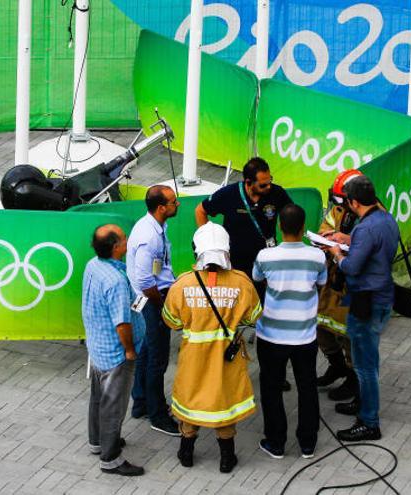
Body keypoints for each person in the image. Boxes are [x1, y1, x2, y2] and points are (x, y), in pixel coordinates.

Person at [161, 223, 262, 473]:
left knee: (190, 401)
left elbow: (171, 321)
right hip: (226, 358)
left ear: (197, 251)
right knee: (223, 404)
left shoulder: (182, 284)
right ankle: (227, 459)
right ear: (227, 251)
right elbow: (253, 318)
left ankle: (186, 453)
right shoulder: (242, 282)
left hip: (193, 358)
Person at [195, 156, 294, 391]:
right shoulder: (229, 194)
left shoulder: (277, 194)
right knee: (229, 319)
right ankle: (224, 371)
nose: (268, 187)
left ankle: (273, 374)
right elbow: (201, 210)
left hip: (265, 269)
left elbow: (291, 215)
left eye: (269, 182)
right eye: (263, 184)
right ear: (248, 182)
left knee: (267, 320)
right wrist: (207, 241)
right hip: (234, 271)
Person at [327, 175, 399, 441]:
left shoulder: (365, 229)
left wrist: (338, 253)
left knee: (365, 364)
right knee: (369, 358)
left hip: (366, 300)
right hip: (382, 295)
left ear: (354, 202)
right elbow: (373, 250)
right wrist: (348, 239)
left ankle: (369, 420)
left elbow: (352, 266)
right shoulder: (385, 219)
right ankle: (363, 404)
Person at [252, 204, 327, 459]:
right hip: (305, 335)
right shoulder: (317, 256)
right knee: (307, 386)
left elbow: (257, 278)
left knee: (271, 388)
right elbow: (322, 283)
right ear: (303, 227)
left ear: (280, 227)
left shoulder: (265, 256)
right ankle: (308, 443)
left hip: (271, 335)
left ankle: (276, 441)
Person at [82, 224, 146, 477]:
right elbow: (122, 323)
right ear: (116, 247)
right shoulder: (116, 281)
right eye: (123, 237)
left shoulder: (93, 265)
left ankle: (97, 442)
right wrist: (130, 350)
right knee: (113, 407)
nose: (127, 239)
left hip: (98, 346)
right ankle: (111, 459)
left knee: (98, 398)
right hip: (115, 354)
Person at [126, 185, 181, 436]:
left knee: (148, 351)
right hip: (152, 299)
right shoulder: (149, 237)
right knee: (157, 360)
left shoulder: (155, 226)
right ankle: (158, 415)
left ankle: (140, 402)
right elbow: (146, 280)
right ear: (161, 208)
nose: (177, 204)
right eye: (173, 202)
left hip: (151, 296)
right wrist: (161, 304)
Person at [316, 170, 364, 414]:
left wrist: (347, 242)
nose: (340, 206)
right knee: (320, 325)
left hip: (352, 285)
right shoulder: (340, 210)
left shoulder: (371, 219)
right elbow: (327, 224)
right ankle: (336, 366)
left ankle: (354, 381)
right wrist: (326, 236)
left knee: (349, 335)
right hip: (331, 279)